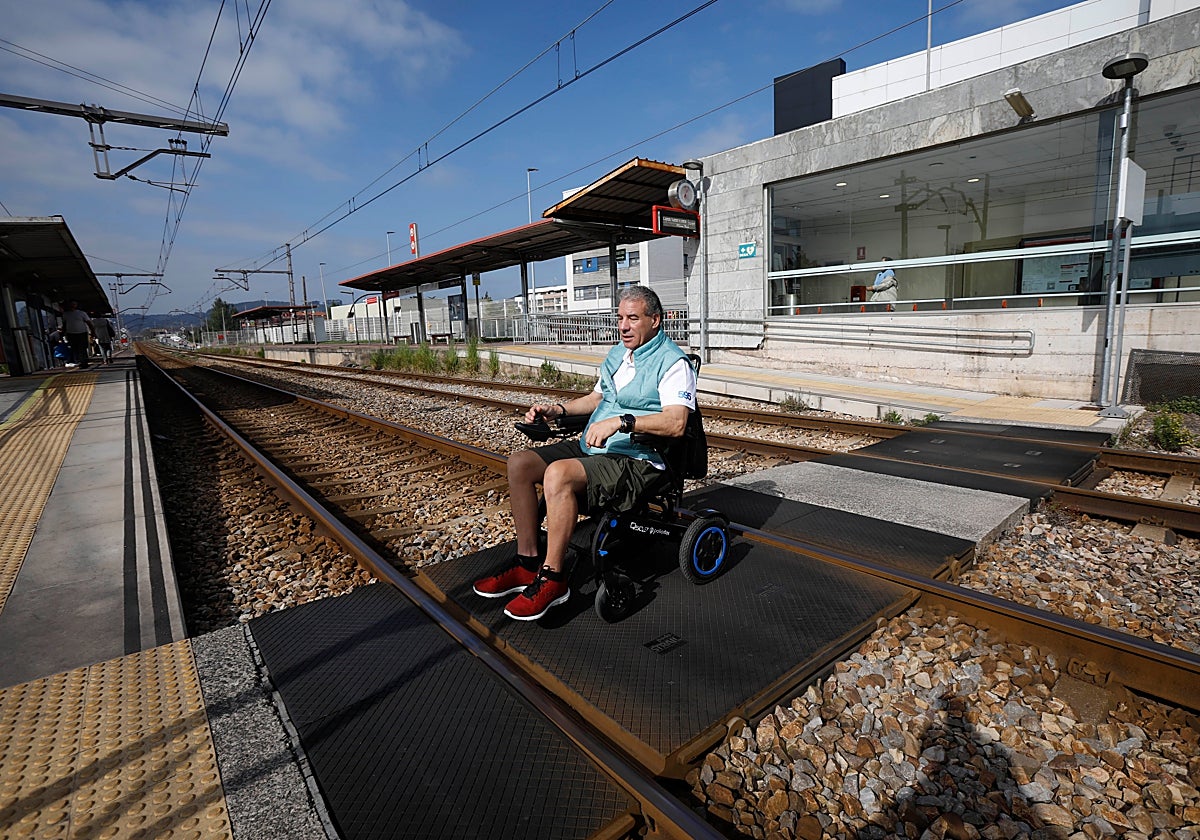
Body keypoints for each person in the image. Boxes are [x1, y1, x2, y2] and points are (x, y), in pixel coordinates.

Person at [473, 286, 697, 621]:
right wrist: (558, 409)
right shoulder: (620, 355)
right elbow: (596, 400)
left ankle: (553, 578)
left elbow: (677, 423)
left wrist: (623, 422)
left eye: (633, 318)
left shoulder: (672, 362)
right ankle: (528, 562)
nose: (623, 326)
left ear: (655, 320)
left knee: (558, 474)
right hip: (596, 448)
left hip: (636, 458)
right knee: (520, 463)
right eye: (620, 318)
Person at [61, 301, 94, 369]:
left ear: (77, 305)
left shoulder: (82, 313)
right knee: (75, 348)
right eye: (71, 304)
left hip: (82, 332)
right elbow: (64, 325)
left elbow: (89, 322)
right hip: (71, 333)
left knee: (83, 348)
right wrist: (63, 333)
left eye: (74, 304)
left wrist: (93, 331)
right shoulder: (66, 314)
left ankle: (83, 362)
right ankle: (80, 361)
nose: (72, 305)